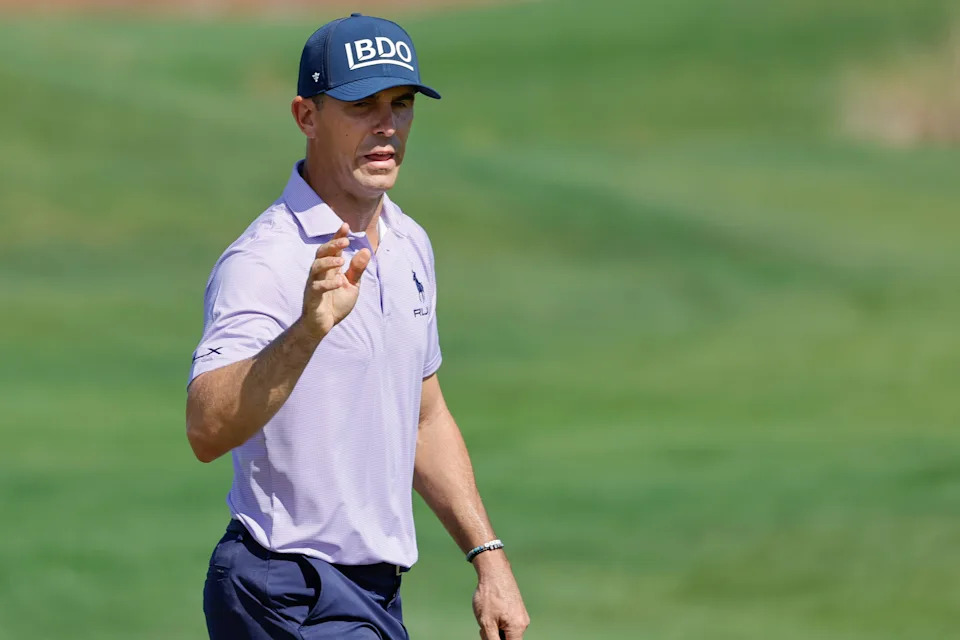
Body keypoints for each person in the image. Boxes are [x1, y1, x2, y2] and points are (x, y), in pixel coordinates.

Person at [184, 13, 530, 640]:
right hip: (287, 591)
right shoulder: (265, 260)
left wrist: (489, 556)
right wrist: (307, 332)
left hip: (369, 594)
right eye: (361, 105)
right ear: (306, 116)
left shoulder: (409, 242)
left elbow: (424, 417)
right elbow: (205, 430)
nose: (387, 126)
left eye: (401, 104)